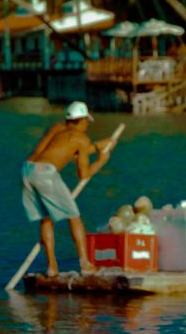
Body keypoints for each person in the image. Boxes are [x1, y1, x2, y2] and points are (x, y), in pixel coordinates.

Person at [22, 101, 116, 276]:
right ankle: (85, 263)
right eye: (87, 121)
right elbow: (84, 175)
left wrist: (96, 147)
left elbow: (60, 148)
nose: (87, 125)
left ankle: (52, 267)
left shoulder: (56, 128)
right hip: (46, 173)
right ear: (81, 121)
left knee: (46, 218)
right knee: (74, 216)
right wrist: (101, 161)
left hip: (28, 170)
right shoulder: (81, 139)